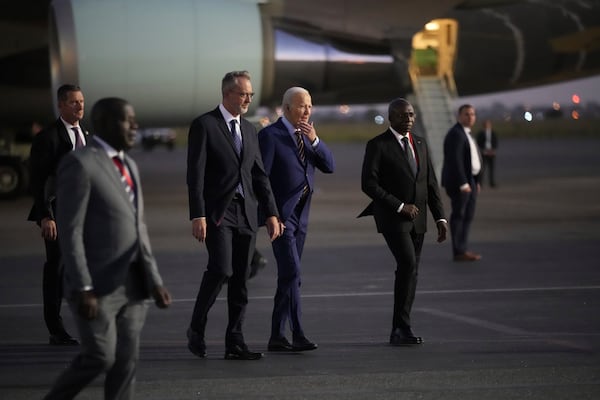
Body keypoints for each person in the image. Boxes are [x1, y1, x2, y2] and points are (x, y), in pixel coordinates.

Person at [43, 97, 172, 400]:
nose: (135, 126)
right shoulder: (80, 163)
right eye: (128, 120)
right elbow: (71, 232)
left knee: (126, 364)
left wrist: (154, 280)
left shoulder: (130, 166)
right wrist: (83, 285)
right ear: (104, 124)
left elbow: (139, 228)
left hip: (133, 286)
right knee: (100, 356)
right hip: (96, 286)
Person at [186, 70, 282, 361]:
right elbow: (196, 174)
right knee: (221, 269)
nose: (247, 99)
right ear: (227, 94)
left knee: (241, 277)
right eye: (243, 94)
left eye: (250, 95)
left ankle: (235, 342)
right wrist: (197, 215)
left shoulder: (250, 130)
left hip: (247, 212)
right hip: (218, 211)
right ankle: (196, 327)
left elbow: (260, 176)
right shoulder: (205, 125)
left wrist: (272, 214)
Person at [359, 97, 447, 346]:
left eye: (410, 115)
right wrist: (399, 205)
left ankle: (400, 327)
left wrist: (440, 216)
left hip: (418, 219)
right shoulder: (378, 145)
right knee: (407, 264)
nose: (407, 119)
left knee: (411, 271)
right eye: (401, 115)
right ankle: (401, 327)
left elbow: (430, 183)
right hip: (392, 217)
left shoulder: (420, 143)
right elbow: (368, 183)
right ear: (390, 118)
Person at [258, 87, 335, 352]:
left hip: (302, 218)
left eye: (310, 106)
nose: (307, 111)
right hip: (281, 218)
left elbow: (329, 166)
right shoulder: (270, 136)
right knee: (293, 273)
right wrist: (271, 214)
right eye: (302, 106)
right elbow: (262, 179)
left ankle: (277, 336)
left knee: (289, 277)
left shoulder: (307, 136)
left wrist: (315, 141)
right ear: (287, 108)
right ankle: (298, 333)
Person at [27, 84, 88, 345]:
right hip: (58, 214)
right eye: (74, 102)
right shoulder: (48, 138)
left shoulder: (84, 133)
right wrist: (45, 216)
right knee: (57, 269)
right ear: (61, 105)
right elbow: (38, 181)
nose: (80, 106)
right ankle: (56, 328)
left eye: (82, 101)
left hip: (83, 213)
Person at [441, 104, 482, 262]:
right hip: (461, 182)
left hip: (469, 180)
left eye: (472, 114)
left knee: (468, 215)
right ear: (459, 116)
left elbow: (472, 159)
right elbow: (455, 161)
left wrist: (475, 181)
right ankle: (458, 251)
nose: (470, 117)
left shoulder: (467, 134)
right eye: (466, 114)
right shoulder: (456, 134)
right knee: (459, 214)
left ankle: (462, 248)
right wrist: (463, 183)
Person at [476, 119, 499, 188]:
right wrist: (483, 150)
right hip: (483, 153)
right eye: (486, 124)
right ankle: (480, 183)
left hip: (491, 153)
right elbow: (478, 143)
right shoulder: (480, 133)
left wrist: (493, 150)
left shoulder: (493, 133)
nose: (487, 125)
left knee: (491, 169)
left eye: (488, 124)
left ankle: (492, 183)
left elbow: (495, 142)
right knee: (482, 169)